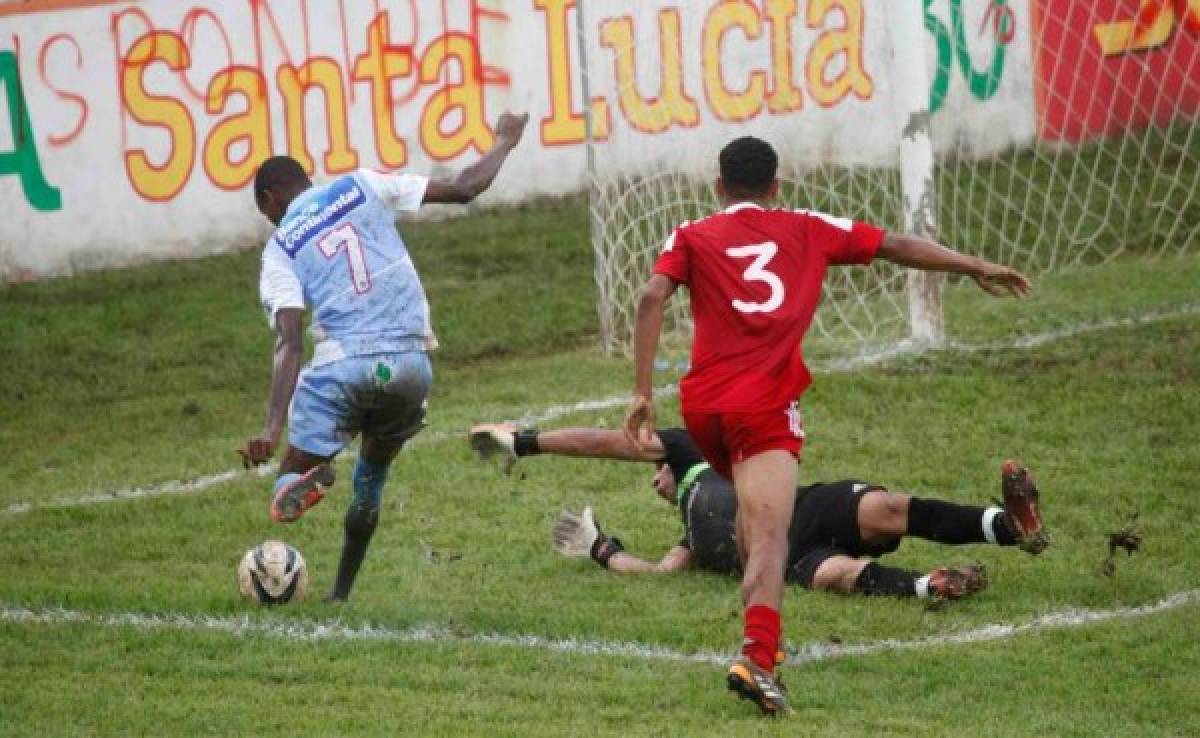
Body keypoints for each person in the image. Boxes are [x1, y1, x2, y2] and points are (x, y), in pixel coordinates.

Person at [622, 136, 1033, 715]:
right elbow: (893, 244)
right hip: (761, 404)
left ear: (719, 188)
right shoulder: (805, 224)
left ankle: (766, 640)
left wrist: (642, 391)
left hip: (704, 408)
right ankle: (758, 657)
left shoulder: (689, 233)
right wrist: (975, 265)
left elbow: (650, 295)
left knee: (751, 524)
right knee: (770, 539)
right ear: (776, 187)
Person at [238, 111, 529, 602]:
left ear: (270, 200)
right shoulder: (361, 184)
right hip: (411, 365)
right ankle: (340, 595)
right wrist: (505, 140)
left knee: (286, 476)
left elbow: (288, 339)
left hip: (342, 367)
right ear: (308, 178)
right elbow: (464, 188)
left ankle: (296, 482)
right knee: (370, 482)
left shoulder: (280, 247)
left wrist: (270, 430)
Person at [470, 423, 1046, 597]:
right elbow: (663, 573)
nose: (654, 477)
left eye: (656, 470)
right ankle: (927, 586)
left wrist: (525, 440)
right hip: (781, 556)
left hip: (806, 510)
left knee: (886, 507)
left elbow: (605, 441)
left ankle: (1006, 527)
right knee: (831, 576)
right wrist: (601, 548)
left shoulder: (695, 452)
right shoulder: (691, 540)